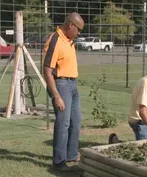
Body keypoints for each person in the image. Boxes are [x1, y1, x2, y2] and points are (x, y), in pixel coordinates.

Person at [43, 12, 84, 171]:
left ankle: (72, 155)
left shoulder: (69, 40)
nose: (79, 33)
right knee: (63, 123)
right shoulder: (55, 40)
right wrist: (57, 96)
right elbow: (47, 71)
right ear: (70, 25)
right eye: (78, 29)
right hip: (61, 85)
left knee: (76, 121)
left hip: (72, 84)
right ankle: (59, 162)